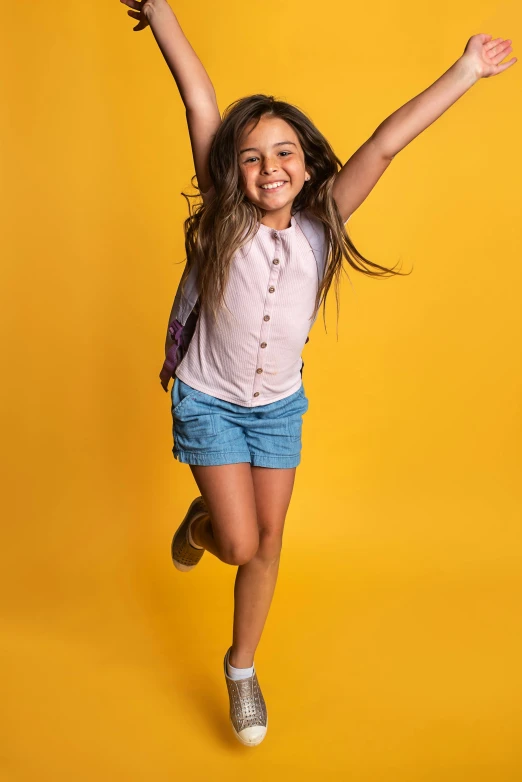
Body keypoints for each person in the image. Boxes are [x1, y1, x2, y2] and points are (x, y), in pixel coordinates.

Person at [119, 0, 516, 747]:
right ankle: (203, 525)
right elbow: (199, 96)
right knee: (237, 542)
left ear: (306, 165)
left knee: (270, 542)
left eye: (285, 153)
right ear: (232, 170)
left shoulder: (323, 224)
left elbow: (386, 143)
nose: (270, 167)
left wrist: (464, 71)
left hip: (276, 409)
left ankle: (241, 668)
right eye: (252, 156)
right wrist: (163, 11)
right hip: (210, 401)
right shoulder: (225, 218)